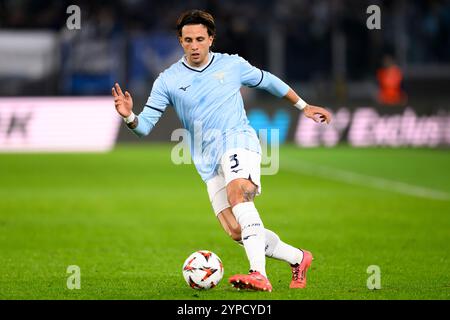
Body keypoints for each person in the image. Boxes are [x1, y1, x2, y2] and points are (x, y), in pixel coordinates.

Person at [112, 9, 331, 292]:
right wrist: (129, 116)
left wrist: (304, 106)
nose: (194, 46)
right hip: (206, 160)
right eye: (188, 40)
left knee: (238, 192)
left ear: (211, 39)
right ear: (180, 41)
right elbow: (144, 127)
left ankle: (258, 274)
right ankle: (299, 258)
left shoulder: (232, 65)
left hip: (238, 140)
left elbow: (269, 81)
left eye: (200, 39)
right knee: (236, 230)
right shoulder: (167, 80)